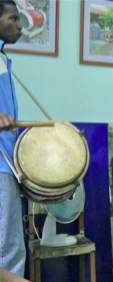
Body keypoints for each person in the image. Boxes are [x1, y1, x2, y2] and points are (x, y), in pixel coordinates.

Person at [0, 1, 24, 277]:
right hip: (1, 164)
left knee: (10, 246)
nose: (19, 26)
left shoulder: (3, 58)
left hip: (8, 162)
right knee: (9, 249)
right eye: (13, 18)